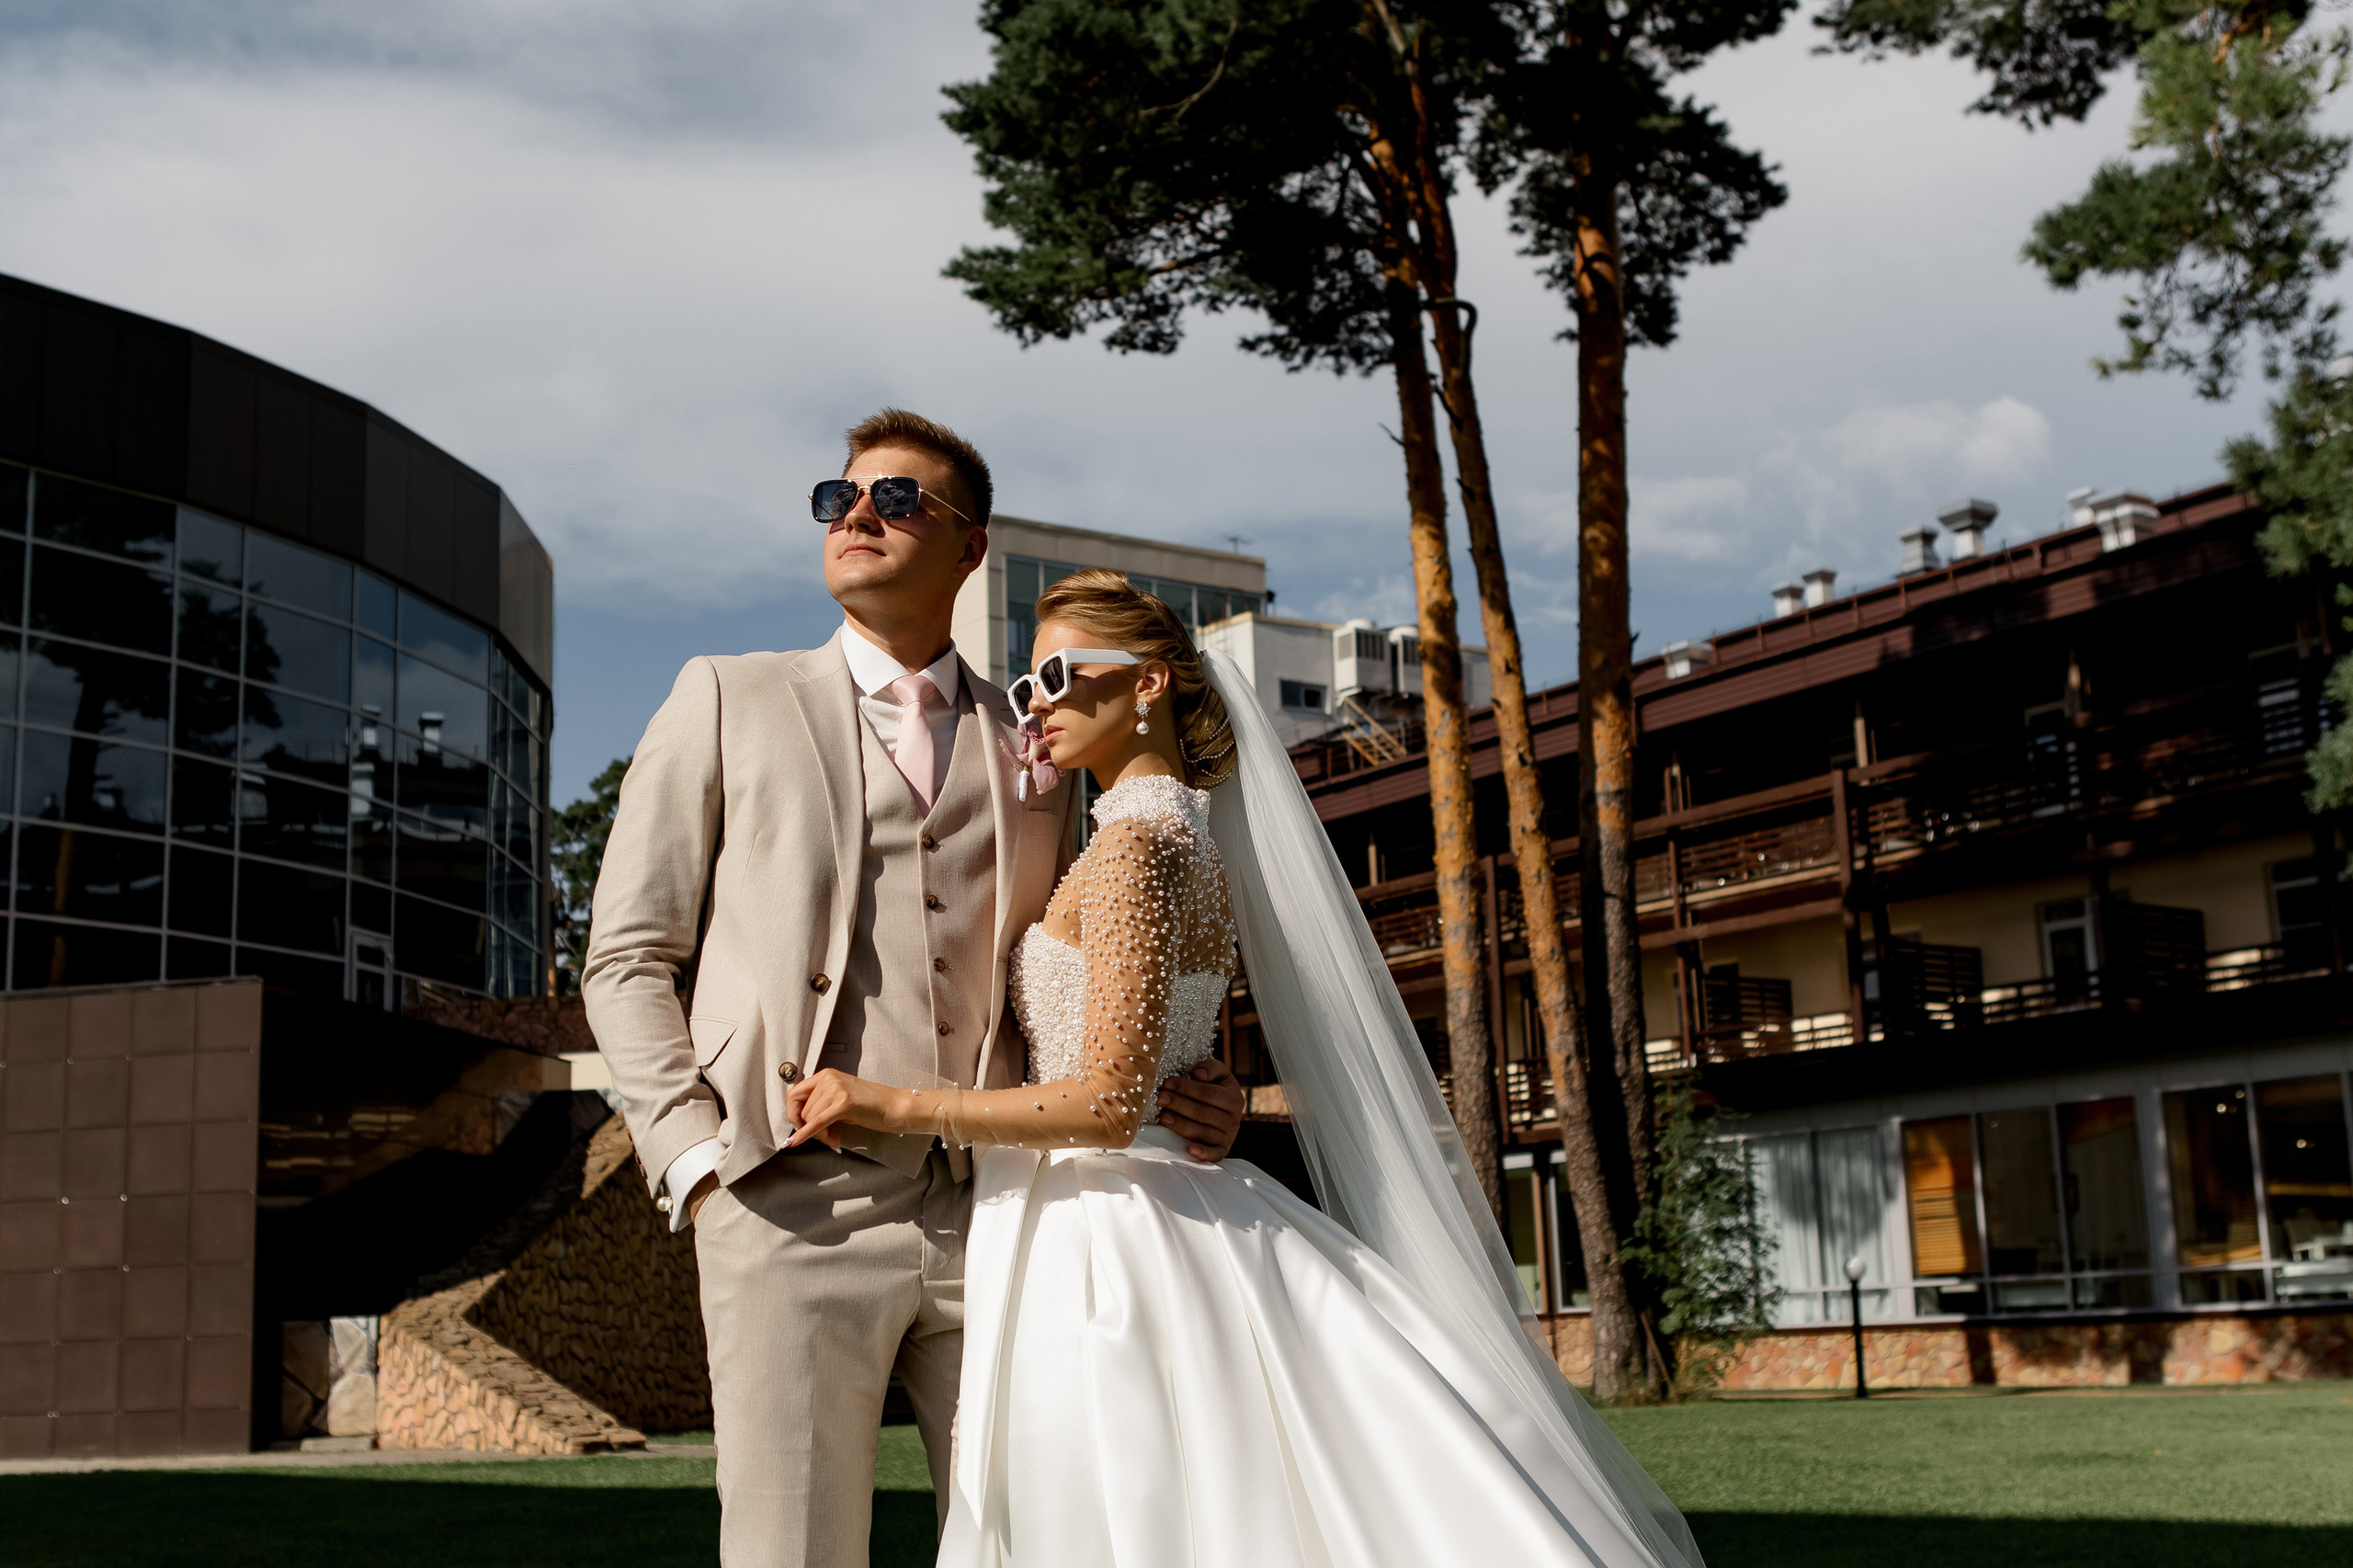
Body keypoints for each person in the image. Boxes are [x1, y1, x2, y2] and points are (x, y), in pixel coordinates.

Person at [786, 570, 1708, 1568]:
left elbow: (1105, 1102)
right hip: (1126, 1202)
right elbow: (1165, 1046)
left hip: (1115, 1231)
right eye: (1024, 686)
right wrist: (1209, 1086)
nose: (1035, 701)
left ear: (1147, 685)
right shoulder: (1163, 841)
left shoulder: (1139, 846)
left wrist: (889, 1101)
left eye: (1056, 672)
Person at [581, 412, 1246, 1568]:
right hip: (787, 1204)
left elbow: (1110, 949)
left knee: (1036, 1543)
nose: (855, 515)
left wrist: (1195, 1080)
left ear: (969, 545)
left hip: (1010, 1215)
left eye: (896, 500)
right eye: (839, 497)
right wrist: (695, 1161)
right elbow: (627, 955)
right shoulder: (727, 696)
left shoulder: (1043, 729)